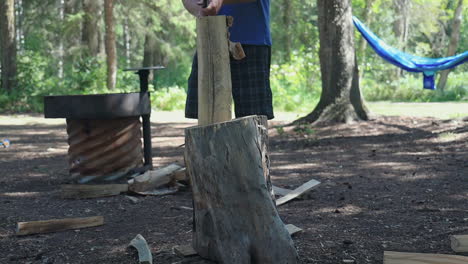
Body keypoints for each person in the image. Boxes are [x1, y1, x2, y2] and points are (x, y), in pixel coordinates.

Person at [182, 0, 274, 120]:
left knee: (252, 121)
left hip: (251, 41)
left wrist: (218, 1)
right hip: (209, 39)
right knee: (208, 118)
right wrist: (200, 9)